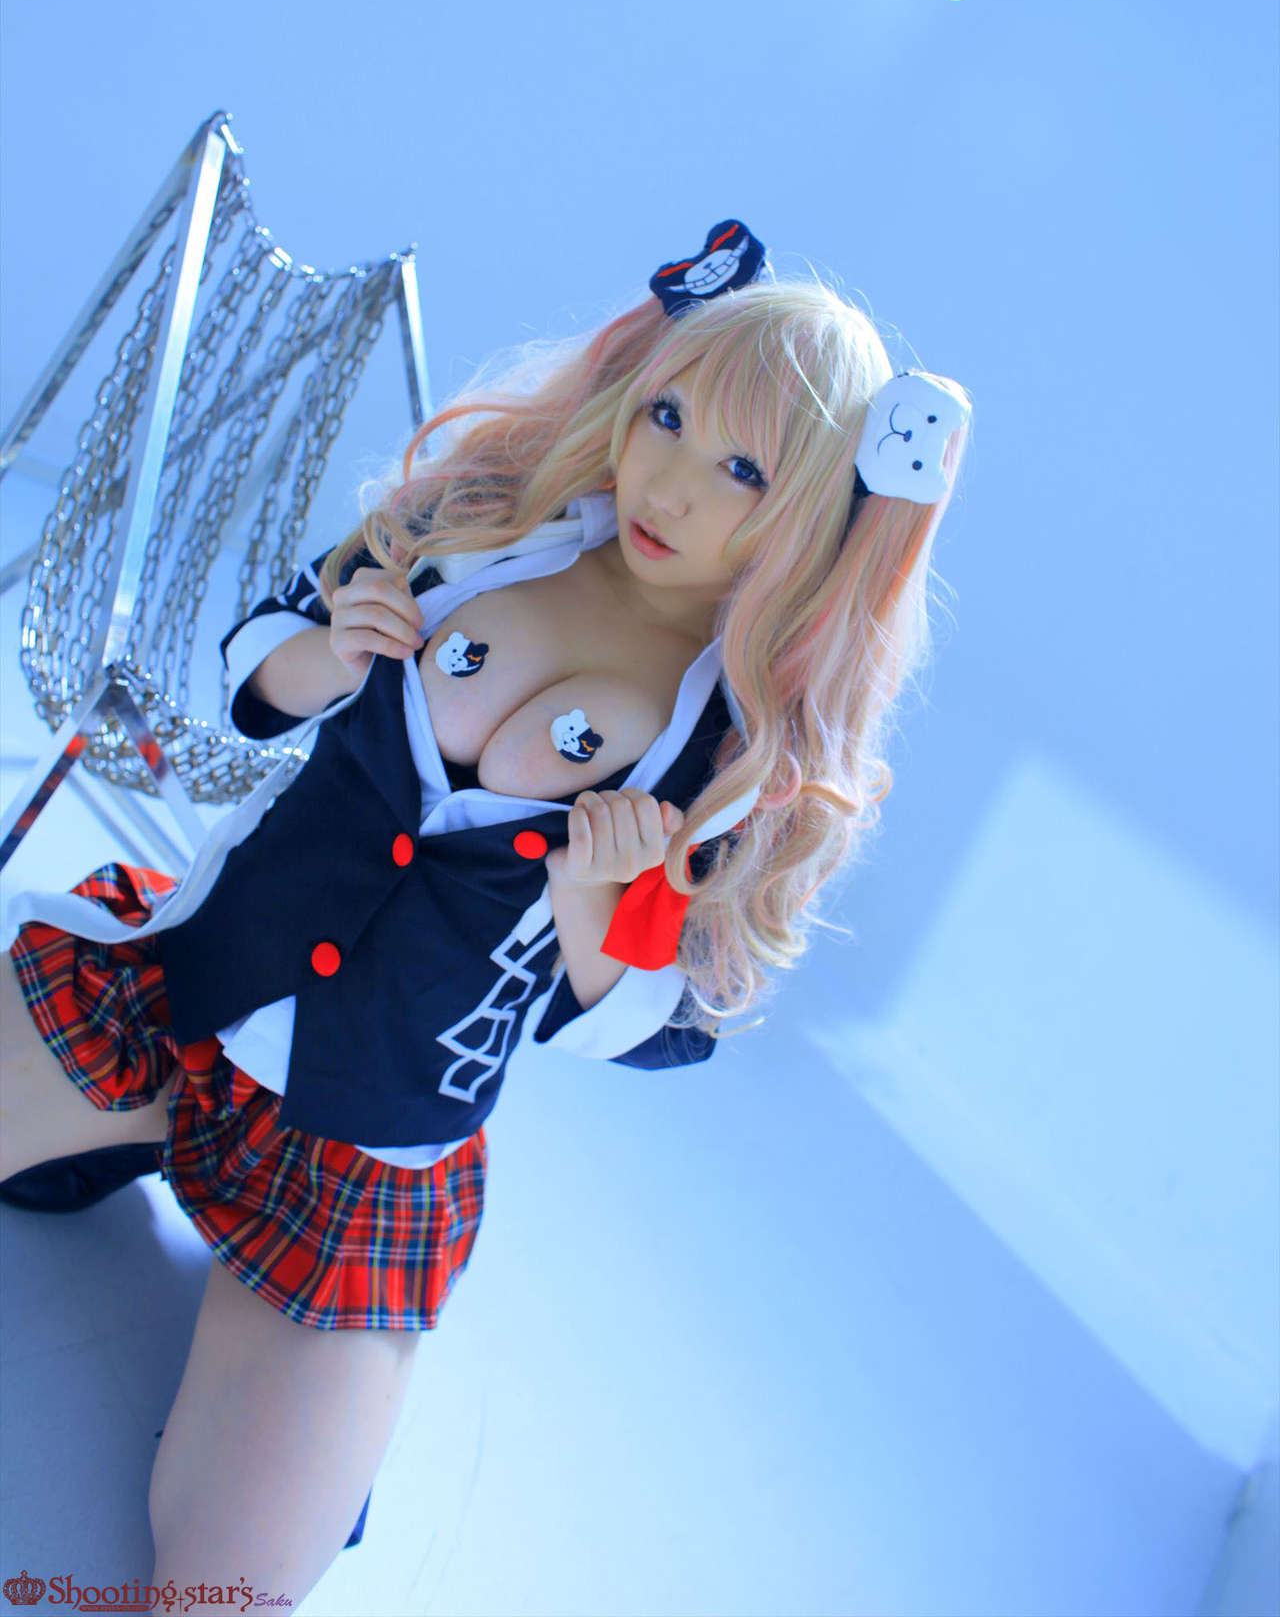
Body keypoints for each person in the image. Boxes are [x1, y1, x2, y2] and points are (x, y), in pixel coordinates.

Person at [0, 218, 971, 1604]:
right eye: (669, 417)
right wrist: (324, 656)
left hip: (366, 1154)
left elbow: (668, 1024)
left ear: (818, 513)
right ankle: (109, 1139)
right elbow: (258, 655)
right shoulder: (484, 525)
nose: (670, 482)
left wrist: (593, 910)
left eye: (744, 470)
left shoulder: (736, 760)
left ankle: (297, 1411)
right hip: (176, 991)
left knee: (223, 1586)